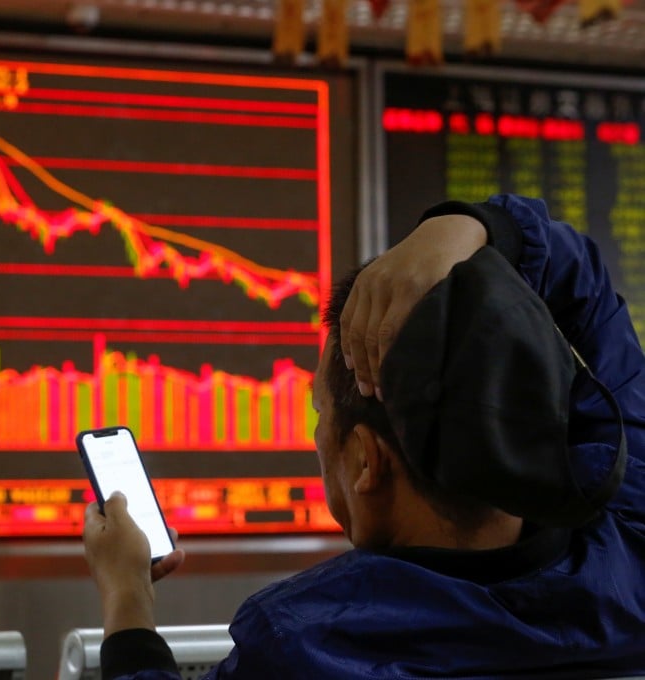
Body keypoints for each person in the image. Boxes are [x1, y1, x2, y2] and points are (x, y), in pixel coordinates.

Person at [82, 194, 645, 679]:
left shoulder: (305, 644)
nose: (318, 438)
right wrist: (463, 227)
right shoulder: (629, 564)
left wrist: (128, 598)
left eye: (321, 415)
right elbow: (590, 294)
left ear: (365, 460)